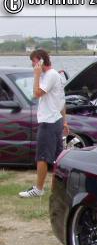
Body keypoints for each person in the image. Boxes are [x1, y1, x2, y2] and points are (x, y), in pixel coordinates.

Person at [19, 49, 68, 198]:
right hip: (56, 120)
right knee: (58, 157)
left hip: (49, 121)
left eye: (34, 62)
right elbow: (62, 100)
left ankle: (39, 189)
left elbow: (37, 93)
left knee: (42, 157)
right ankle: (60, 188)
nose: (33, 65)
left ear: (40, 61)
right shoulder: (56, 75)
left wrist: (36, 74)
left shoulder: (50, 75)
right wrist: (64, 121)